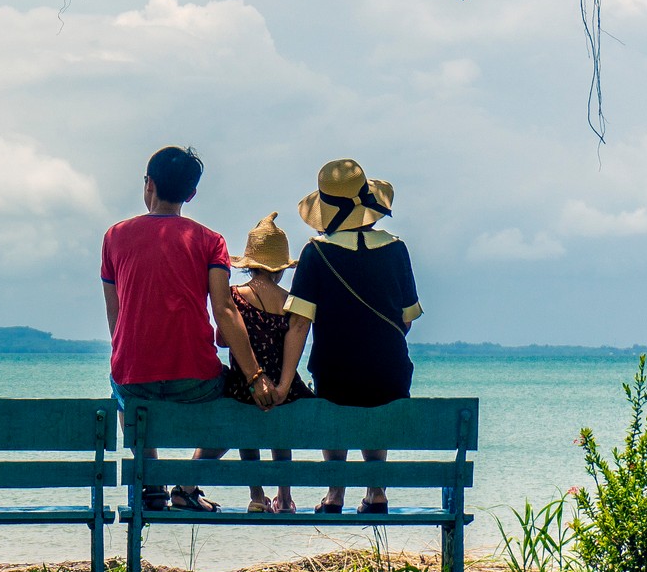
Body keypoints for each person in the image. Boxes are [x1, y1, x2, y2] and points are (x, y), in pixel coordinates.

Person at [102, 145, 275, 512]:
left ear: (148, 183)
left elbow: (115, 320)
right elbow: (225, 310)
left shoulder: (114, 237)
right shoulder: (211, 242)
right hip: (196, 378)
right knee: (240, 399)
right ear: (191, 194)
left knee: (125, 392)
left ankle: (151, 484)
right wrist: (255, 375)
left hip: (134, 377)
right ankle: (187, 483)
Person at [273, 159, 421, 515]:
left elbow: (298, 326)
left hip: (335, 374)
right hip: (390, 375)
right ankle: (376, 491)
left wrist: (284, 382)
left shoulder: (316, 253)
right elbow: (407, 318)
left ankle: (335, 493)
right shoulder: (396, 249)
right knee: (379, 397)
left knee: (333, 393)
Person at [222, 213, 314, 514]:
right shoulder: (291, 301)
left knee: (244, 425)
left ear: (249, 263)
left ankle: (257, 495)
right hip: (282, 388)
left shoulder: (235, 297)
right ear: (280, 269)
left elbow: (223, 340)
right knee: (281, 430)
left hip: (244, 385)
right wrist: (282, 385)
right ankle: (285, 497)